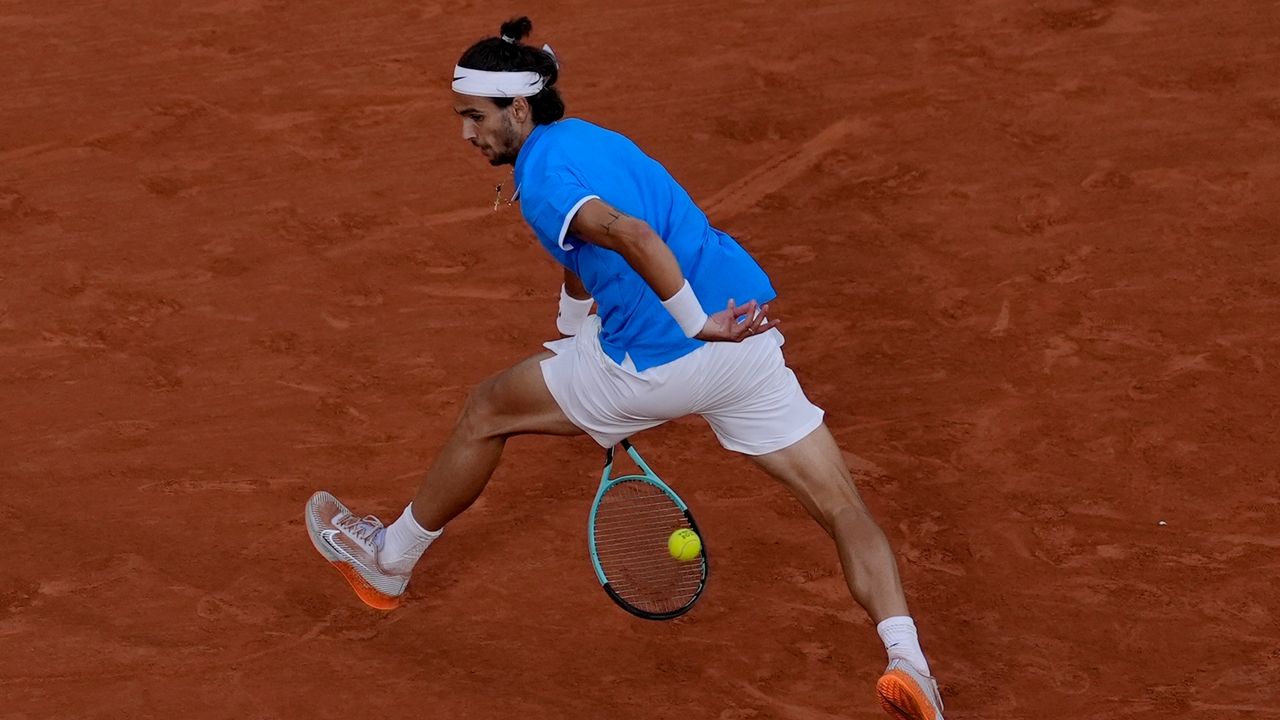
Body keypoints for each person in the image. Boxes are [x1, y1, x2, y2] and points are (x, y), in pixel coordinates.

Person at [305, 17, 945, 720]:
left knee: (486, 411)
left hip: (661, 358)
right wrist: (584, 325)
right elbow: (591, 256)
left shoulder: (544, 179)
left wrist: (687, 324)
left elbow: (629, 235)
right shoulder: (590, 141)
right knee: (842, 506)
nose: (466, 133)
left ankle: (387, 562)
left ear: (517, 109)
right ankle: (908, 661)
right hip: (746, 340)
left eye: (474, 116)